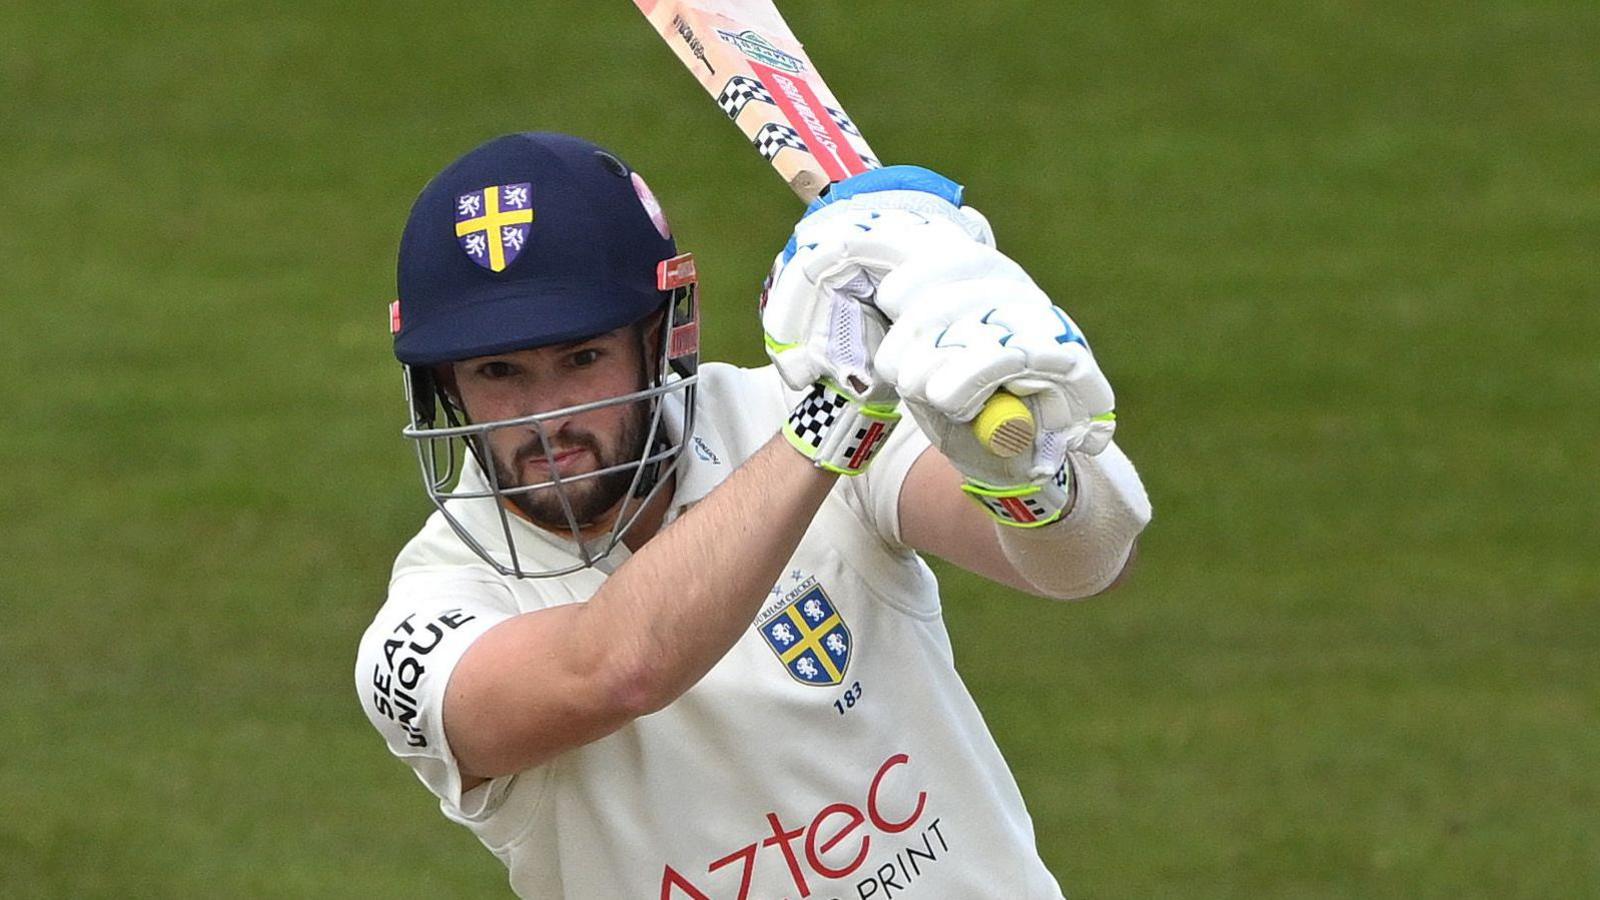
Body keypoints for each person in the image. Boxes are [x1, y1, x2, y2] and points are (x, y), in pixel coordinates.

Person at [355, 131, 1152, 898]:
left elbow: (1086, 563)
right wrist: (836, 417)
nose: (545, 416)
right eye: (498, 372)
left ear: (662, 333)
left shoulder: (778, 413)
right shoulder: (426, 622)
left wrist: (1026, 465)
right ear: (445, 385)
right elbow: (612, 670)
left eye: (582, 359)